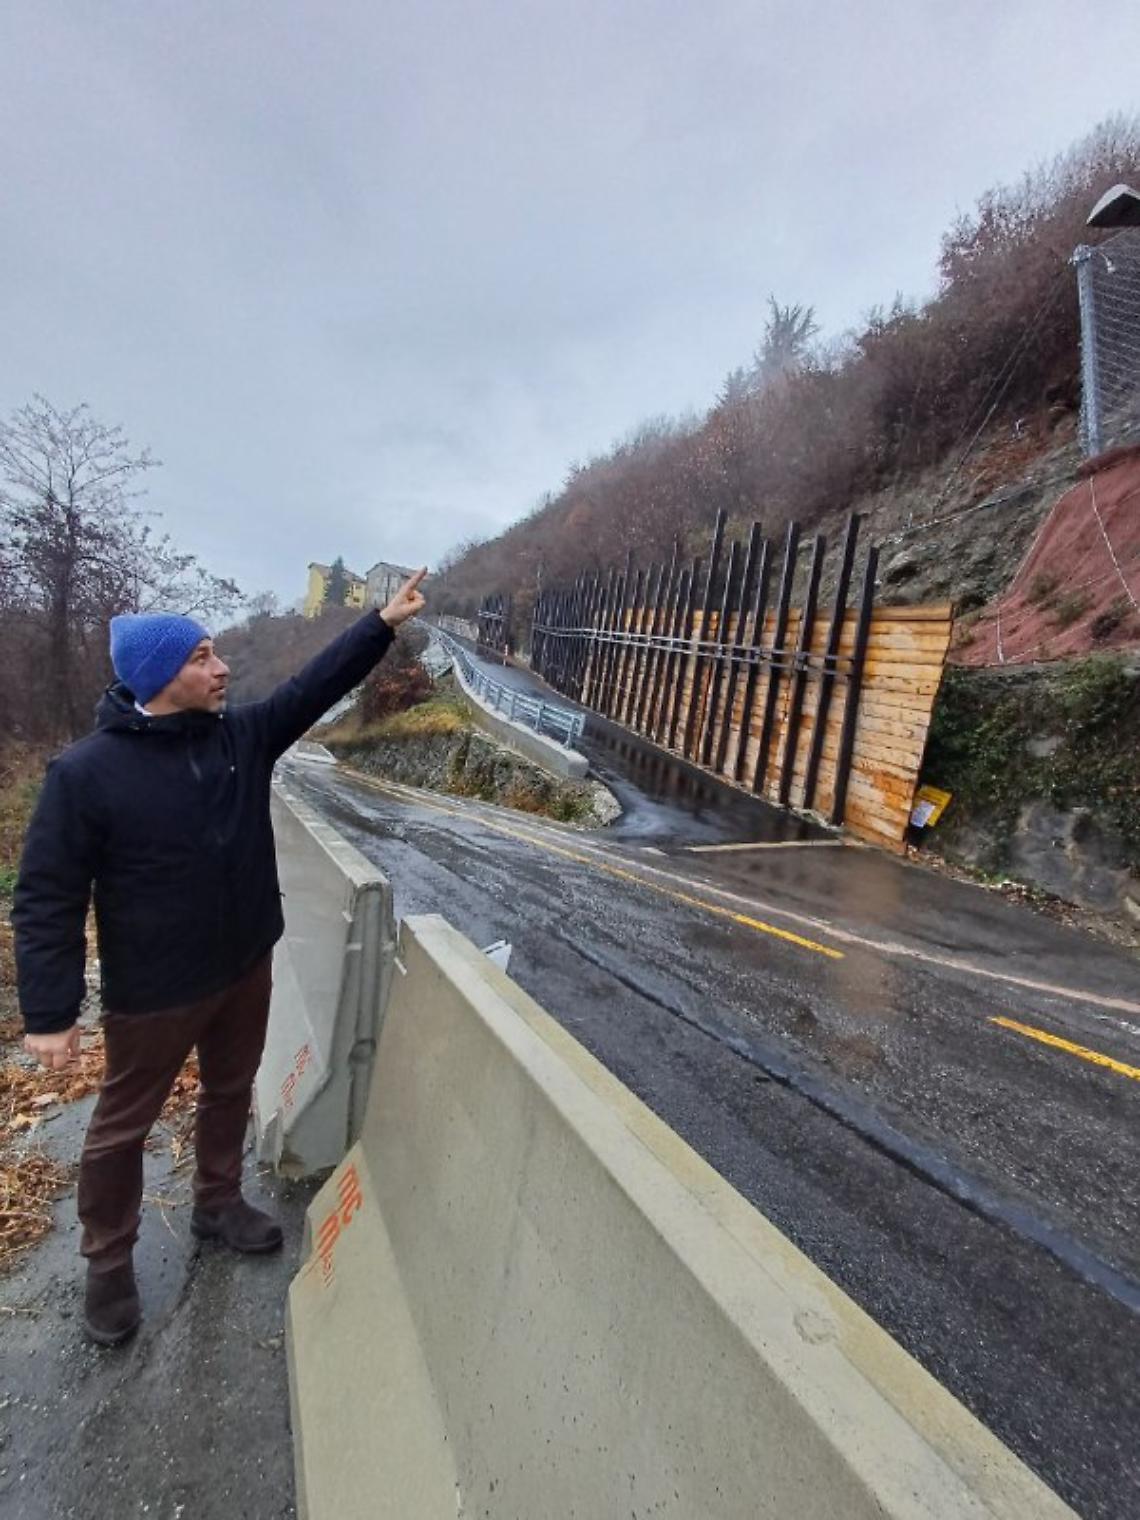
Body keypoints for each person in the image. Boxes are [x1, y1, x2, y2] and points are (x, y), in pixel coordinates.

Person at [12, 569, 427, 1345]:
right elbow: (46, 897)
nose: (221, 667)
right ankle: (107, 1264)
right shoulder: (85, 774)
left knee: (230, 1089)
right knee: (119, 1128)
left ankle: (217, 1201)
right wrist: (50, 1012)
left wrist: (381, 624)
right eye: (203, 656)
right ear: (160, 676)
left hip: (244, 963)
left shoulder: (241, 736)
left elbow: (312, 686)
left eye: (216, 653)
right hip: (156, 989)